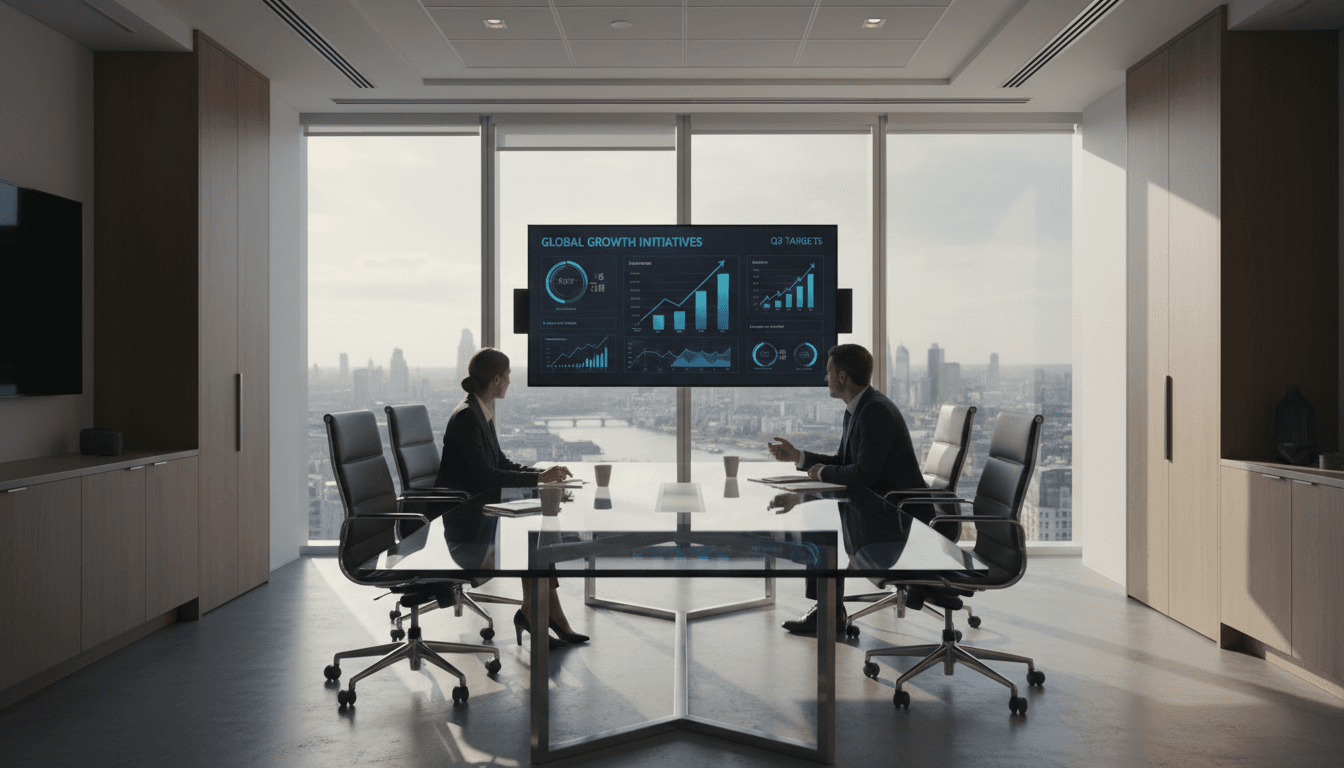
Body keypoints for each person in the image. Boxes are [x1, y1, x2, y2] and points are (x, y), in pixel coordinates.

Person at [766, 343, 925, 635]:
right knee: (820, 521)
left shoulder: (874, 411)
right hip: (885, 510)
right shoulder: (858, 408)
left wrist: (821, 474)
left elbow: (864, 472)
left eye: (828, 372)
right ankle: (830, 608)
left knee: (818, 526)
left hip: (902, 522)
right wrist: (799, 457)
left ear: (842, 377)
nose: (824, 378)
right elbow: (844, 463)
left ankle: (828, 612)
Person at [436, 347, 587, 648]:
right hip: (464, 524)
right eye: (507, 377)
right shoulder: (468, 417)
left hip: (478, 512)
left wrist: (540, 473)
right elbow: (485, 477)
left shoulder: (479, 411)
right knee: (532, 539)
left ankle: (541, 613)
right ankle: (542, 614)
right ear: (496, 380)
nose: (508, 383)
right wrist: (538, 479)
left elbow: (500, 464)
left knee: (533, 537)